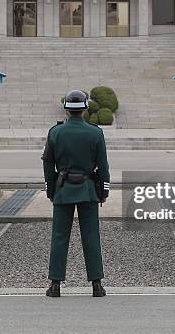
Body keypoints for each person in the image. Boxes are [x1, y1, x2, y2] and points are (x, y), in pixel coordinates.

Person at [42, 90, 110, 297]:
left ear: (66, 109)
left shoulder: (56, 132)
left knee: (60, 236)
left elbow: (48, 163)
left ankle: (55, 284)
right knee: (91, 236)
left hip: (63, 190)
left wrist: (51, 190)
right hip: (88, 190)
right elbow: (103, 166)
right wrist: (103, 191)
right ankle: (96, 285)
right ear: (85, 108)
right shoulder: (95, 132)